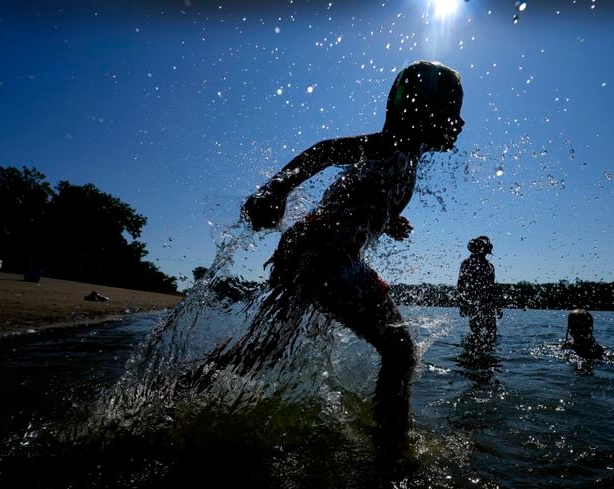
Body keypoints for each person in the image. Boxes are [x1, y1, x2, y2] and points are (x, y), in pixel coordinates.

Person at [192, 60, 465, 442]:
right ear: (418, 108)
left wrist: (387, 222)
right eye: (453, 108)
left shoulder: (408, 156)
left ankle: (185, 387)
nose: (460, 121)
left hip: (324, 253)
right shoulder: (391, 145)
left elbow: (357, 200)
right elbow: (324, 151)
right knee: (400, 352)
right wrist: (275, 190)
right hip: (321, 252)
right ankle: (391, 450)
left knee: (266, 348)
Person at [457, 236, 502, 341]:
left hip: (488, 302)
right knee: (476, 333)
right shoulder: (467, 263)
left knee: (491, 332)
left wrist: (498, 306)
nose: (484, 252)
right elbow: (460, 285)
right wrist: (463, 303)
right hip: (473, 301)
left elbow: (492, 287)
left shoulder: (489, 266)